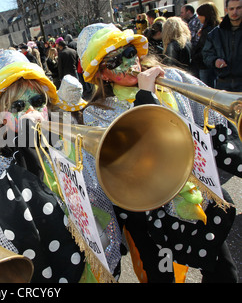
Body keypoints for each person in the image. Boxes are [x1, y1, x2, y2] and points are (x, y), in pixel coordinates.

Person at [76, 22, 238, 283]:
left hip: (196, 199)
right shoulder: (97, 113)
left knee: (225, 275)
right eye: (115, 61)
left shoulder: (171, 79)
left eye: (130, 53)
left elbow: (212, 121)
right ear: (102, 74)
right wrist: (145, 96)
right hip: (149, 218)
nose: (128, 63)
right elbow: (130, 160)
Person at [0, 49, 121, 283]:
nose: (31, 111)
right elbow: (14, 226)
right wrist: (26, 143)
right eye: (18, 106)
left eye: (37, 102)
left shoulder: (64, 146)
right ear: (0, 117)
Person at [202, 0, 242, 92]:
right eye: (231, 9)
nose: (235, 12)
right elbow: (206, 54)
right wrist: (215, 61)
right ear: (226, 10)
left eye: (238, 8)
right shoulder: (215, 33)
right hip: (223, 83)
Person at [192, 2, 221, 86]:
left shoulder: (207, 30)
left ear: (205, 15)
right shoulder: (216, 27)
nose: (198, 17)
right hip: (210, 64)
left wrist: (196, 57)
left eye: (199, 15)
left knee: (206, 89)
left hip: (205, 65)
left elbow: (204, 48)